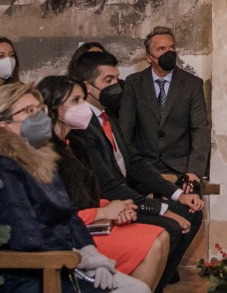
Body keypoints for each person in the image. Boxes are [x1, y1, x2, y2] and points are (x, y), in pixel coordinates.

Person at [0, 84, 149, 293]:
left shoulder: (40, 156)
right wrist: (79, 258)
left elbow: (67, 216)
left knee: (138, 288)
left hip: (61, 260)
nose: (38, 116)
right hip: (30, 273)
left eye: (39, 109)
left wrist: (91, 253)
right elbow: (24, 234)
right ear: (3, 124)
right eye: (28, 111)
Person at [69, 52, 199, 288]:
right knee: (170, 225)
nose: (116, 86)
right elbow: (108, 186)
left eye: (117, 79)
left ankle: (153, 285)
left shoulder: (108, 117)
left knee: (191, 211)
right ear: (87, 87)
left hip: (124, 197)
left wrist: (178, 194)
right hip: (109, 205)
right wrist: (161, 210)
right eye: (108, 81)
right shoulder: (82, 126)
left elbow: (136, 162)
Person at [36, 76, 169, 291]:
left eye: (83, 99)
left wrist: (112, 208)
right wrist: (103, 213)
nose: (84, 106)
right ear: (54, 106)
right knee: (152, 243)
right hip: (73, 231)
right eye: (76, 100)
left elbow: (88, 194)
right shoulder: (45, 151)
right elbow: (56, 211)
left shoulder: (76, 144)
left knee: (162, 237)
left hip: (92, 219)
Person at [119, 28, 209, 204]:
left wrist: (194, 172)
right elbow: (125, 128)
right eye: (161, 49)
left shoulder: (192, 84)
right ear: (148, 57)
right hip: (142, 166)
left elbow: (200, 129)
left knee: (189, 211)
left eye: (172, 48)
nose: (169, 53)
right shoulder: (134, 83)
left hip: (180, 168)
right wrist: (125, 167)